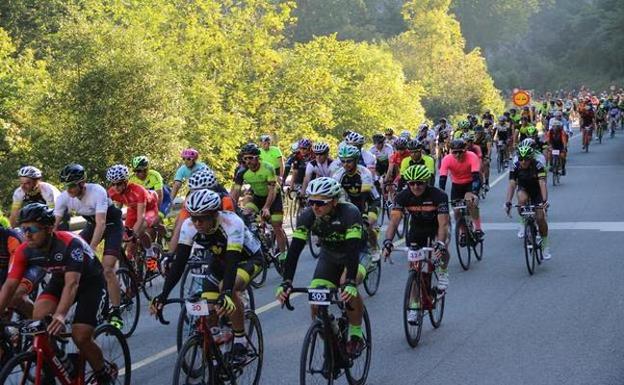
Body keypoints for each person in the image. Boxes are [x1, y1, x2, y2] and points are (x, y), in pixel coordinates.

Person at [0, 203, 114, 384]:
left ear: (49, 228)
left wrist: (60, 315)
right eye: (23, 229)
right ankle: (61, 361)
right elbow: (9, 285)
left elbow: (72, 284)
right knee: (39, 321)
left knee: (80, 336)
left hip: (90, 282)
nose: (27, 234)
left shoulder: (70, 243)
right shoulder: (25, 249)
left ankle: (103, 373)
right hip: (60, 279)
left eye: (33, 229)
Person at [150, 189, 263, 362]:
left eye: (201, 218)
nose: (197, 223)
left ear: (214, 215)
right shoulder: (189, 226)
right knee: (208, 305)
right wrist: (163, 296)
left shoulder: (232, 223)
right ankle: (218, 349)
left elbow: (233, 262)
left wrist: (225, 293)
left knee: (227, 288)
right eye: (193, 217)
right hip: (219, 261)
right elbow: (179, 264)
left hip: (247, 259)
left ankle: (240, 341)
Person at [276, 177, 366, 356]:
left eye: (320, 203)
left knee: (346, 286)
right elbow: (294, 251)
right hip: (330, 256)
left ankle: (356, 334)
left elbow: (352, 248)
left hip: (357, 254)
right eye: (311, 201)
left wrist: (349, 281)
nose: (315, 207)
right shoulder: (308, 216)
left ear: (334, 201)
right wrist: (286, 281)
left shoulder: (349, 212)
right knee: (316, 300)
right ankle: (332, 341)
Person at [55, 163, 125, 329]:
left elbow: (101, 224)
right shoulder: (64, 197)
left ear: (82, 183)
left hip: (112, 225)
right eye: (66, 186)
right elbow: (54, 225)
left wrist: (91, 249)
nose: (69, 190)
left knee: (107, 269)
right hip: (92, 225)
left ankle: (116, 312)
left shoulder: (97, 191)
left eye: (72, 185)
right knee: (72, 256)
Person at [382, 165, 450, 323]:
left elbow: (444, 225)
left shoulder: (438, 195)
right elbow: (393, 222)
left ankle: (443, 271)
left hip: (436, 227)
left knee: (442, 248)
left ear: (426, 182)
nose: (416, 186)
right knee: (414, 269)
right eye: (411, 183)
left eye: (419, 183)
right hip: (417, 229)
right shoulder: (402, 197)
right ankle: (414, 305)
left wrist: (439, 243)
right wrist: (387, 242)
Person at [231, 143, 287, 260]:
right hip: (258, 197)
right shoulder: (241, 171)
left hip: (273, 197)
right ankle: (260, 241)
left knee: (277, 226)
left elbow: (272, 191)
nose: (248, 161)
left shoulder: (268, 168)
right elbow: (235, 192)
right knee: (246, 214)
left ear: (257, 157)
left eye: (250, 158)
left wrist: (266, 207)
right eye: (245, 158)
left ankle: (283, 254)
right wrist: (230, 208)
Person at [106, 164, 161, 265]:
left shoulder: (138, 191)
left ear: (126, 182)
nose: (115, 187)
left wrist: (132, 233)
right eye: (113, 184)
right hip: (133, 210)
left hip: (150, 209)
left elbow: (141, 217)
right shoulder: (112, 192)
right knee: (130, 245)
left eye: (118, 184)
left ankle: (150, 253)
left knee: (139, 231)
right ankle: (133, 268)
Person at [332, 145, 380, 256]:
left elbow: (365, 196)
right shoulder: (338, 174)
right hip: (353, 202)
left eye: (349, 161)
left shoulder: (364, 173)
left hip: (371, 201)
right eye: (343, 161)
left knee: (367, 225)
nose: (345, 164)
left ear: (356, 160)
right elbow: (335, 196)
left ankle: (374, 248)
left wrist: (363, 215)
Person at [505, 146, 551, 260]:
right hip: (524, 188)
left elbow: (542, 184)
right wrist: (508, 202)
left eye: (526, 159)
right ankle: (524, 222)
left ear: (531, 158)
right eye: (521, 159)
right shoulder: (515, 167)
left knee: (540, 218)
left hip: (537, 192)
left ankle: (545, 245)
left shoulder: (538, 165)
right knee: (521, 200)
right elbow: (512, 185)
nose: (523, 161)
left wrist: (544, 201)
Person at [439, 139, 484, 242]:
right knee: (456, 211)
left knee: (470, 202)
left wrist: (475, 193)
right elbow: (442, 178)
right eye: (455, 152)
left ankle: (478, 228)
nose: (458, 155)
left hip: (470, 183)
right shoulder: (447, 159)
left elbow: (476, 177)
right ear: (451, 151)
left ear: (465, 150)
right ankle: (462, 232)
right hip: (456, 186)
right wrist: (441, 194)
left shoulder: (472, 156)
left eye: (460, 152)